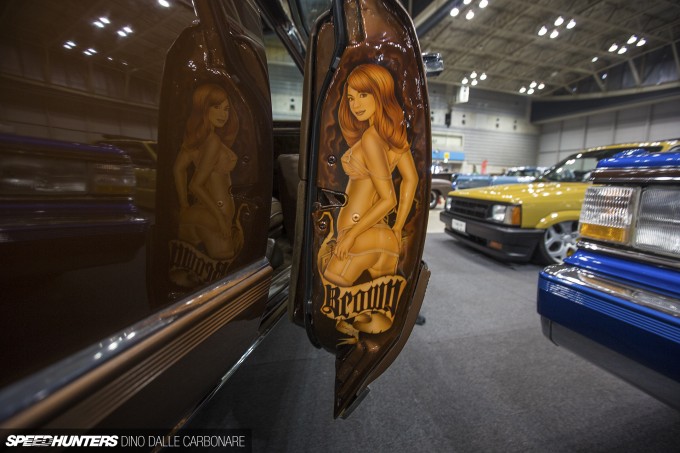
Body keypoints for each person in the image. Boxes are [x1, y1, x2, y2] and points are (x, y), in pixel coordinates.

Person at [320, 64, 418, 287]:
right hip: (382, 237)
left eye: (363, 95)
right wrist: (397, 228)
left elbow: (389, 199)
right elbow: (411, 179)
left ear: (380, 92)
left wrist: (351, 236)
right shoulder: (392, 135)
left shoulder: (371, 138)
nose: (355, 105)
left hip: (360, 236)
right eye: (351, 98)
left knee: (332, 296)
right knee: (379, 305)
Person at [173, 83, 244, 262]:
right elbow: (195, 185)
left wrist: (184, 205)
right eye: (217, 107)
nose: (223, 114)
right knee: (224, 266)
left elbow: (178, 169)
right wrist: (220, 219)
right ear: (204, 108)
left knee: (187, 267)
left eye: (226, 109)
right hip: (214, 219)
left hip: (206, 214)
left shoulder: (197, 139)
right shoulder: (212, 141)